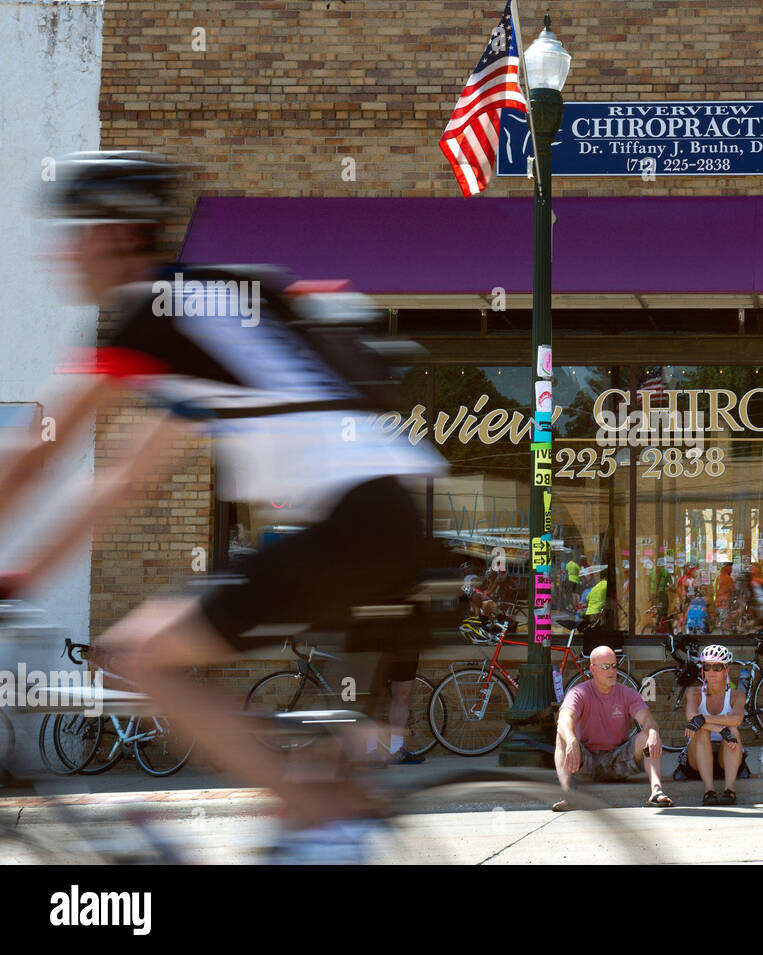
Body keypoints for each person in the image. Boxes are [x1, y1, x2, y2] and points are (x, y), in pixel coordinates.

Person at [0, 152, 444, 860]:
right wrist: (21, 577)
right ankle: (321, 809)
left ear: (116, 233)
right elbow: (122, 479)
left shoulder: (144, 309)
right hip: (388, 519)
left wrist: (18, 567)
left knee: (136, 659)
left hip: (350, 523)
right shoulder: (211, 312)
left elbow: (39, 450)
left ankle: (317, 817)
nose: (61, 250)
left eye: (75, 230)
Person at [553, 645, 673, 809]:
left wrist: (653, 732)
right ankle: (567, 795)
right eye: (605, 666)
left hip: (619, 761)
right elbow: (564, 719)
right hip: (586, 761)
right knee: (562, 736)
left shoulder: (627, 693)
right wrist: (572, 740)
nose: (612, 670)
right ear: (592, 669)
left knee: (648, 735)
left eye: (614, 665)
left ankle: (657, 792)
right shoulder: (579, 692)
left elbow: (647, 719)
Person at [683, 644, 745, 805]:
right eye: (707, 667)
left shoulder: (737, 694)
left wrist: (702, 719)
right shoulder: (693, 692)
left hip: (728, 752)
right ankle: (709, 790)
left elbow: (737, 719)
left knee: (733, 729)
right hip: (698, 755)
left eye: (717, 667)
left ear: (726, 670)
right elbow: (691, 717)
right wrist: (720, 729)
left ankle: (729, 790)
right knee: (702, 732)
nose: (711, 672)